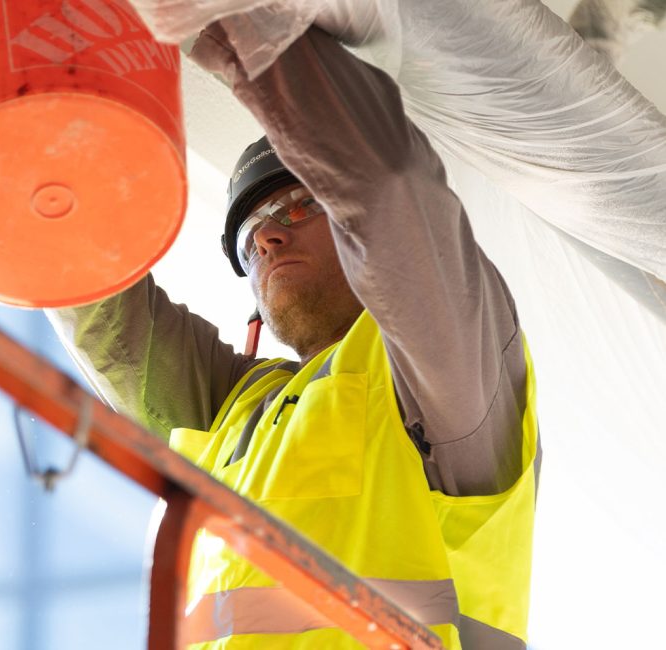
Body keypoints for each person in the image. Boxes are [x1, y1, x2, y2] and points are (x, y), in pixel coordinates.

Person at [47, 18, 539, 650]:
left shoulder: (443, 370)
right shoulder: (235, 411)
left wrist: (229, 22)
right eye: (249, 238)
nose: (268, 237)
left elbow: (389, 194)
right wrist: (42, 146)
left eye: (300, 206)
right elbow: (106, 327)